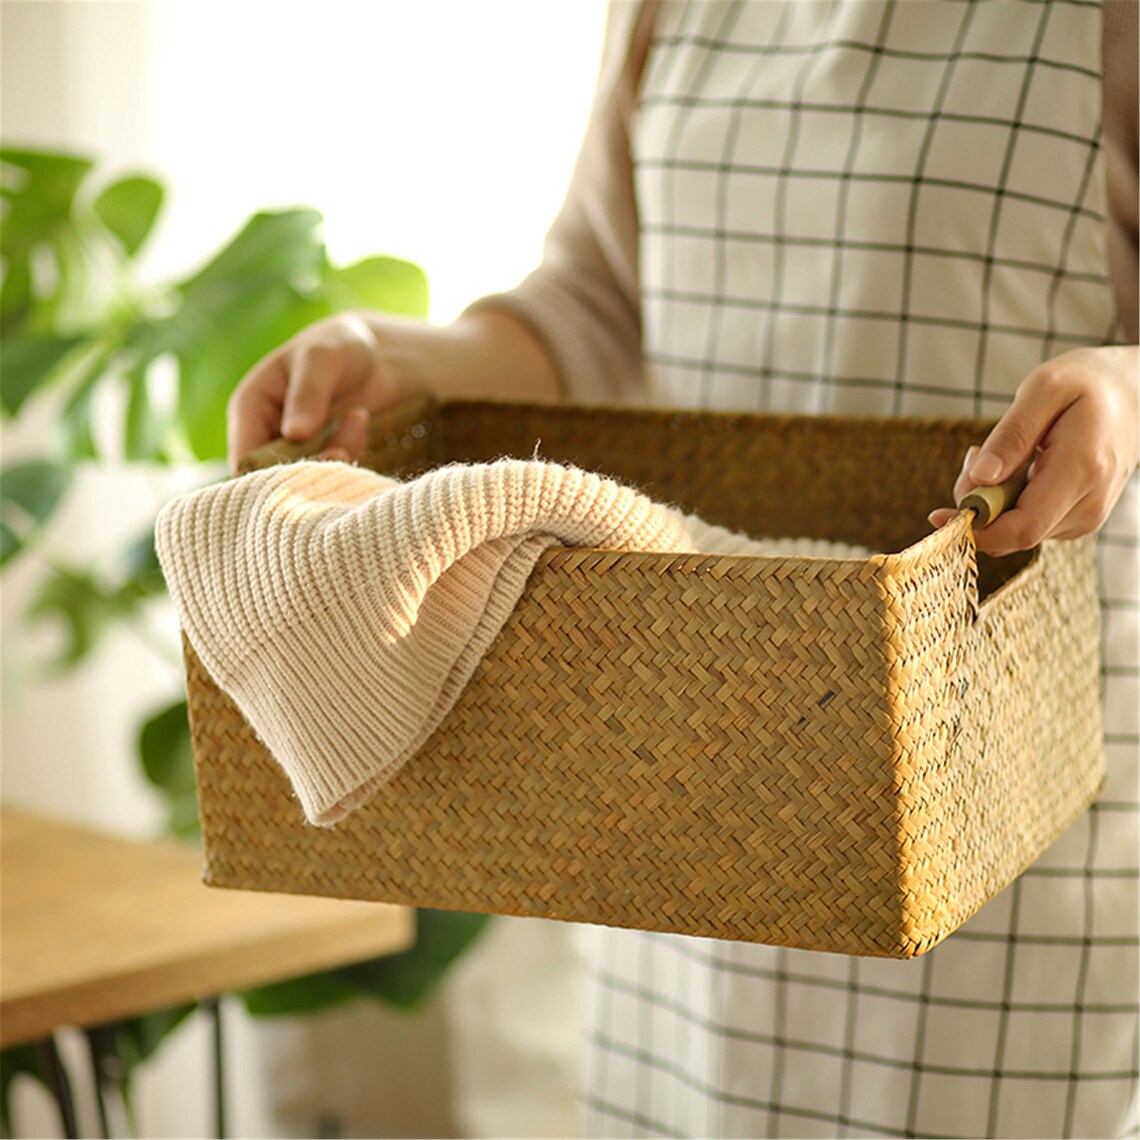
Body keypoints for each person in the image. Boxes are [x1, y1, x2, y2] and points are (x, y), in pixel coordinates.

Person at [228, 2, 1138, 1136]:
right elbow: (595, 311)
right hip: (709, 782)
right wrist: (395, 357)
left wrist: (1125, 389)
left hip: (1009, 794)